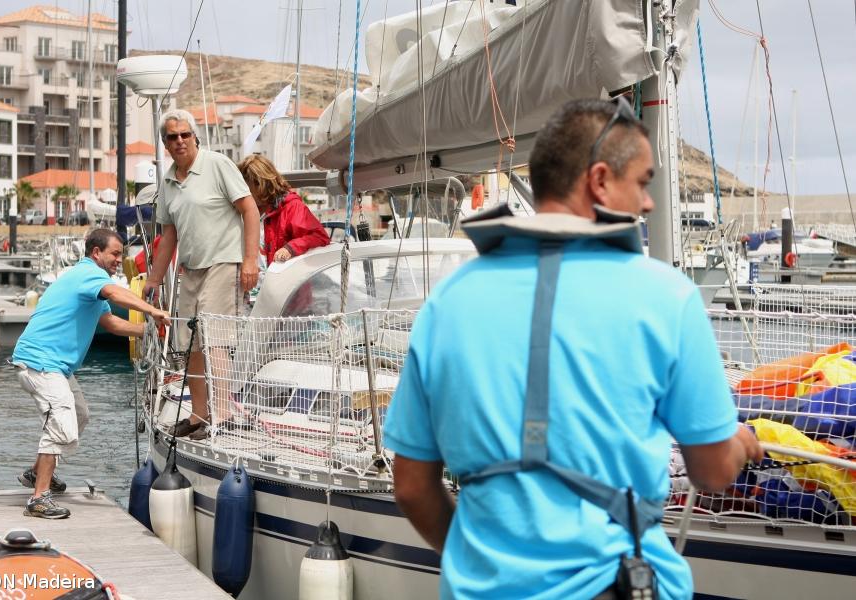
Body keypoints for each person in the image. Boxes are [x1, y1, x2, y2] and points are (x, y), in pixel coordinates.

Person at [384, 98, 763, 599]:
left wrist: (474, 553)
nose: (648, 203)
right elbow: (712, 471)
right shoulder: (665, 296)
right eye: (643, 182)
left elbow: (411, 485)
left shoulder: (447, 302)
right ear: (600, 181)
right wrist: (737, 442)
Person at [13, 229, 169, 519]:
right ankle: (38, 499)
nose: (118, 260)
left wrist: (150, 330)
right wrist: (152, 310)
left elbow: (110, 323)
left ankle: (37, 475)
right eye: (114, 254)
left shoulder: (89, 283)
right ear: (96, 253)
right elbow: (113, 292)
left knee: (79, 414)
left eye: (120, 254)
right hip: (40, 363)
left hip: (55, 366)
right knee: (62, 424)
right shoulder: (88, 275)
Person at [142, 109, 259, 441]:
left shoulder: (217, 164)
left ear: (195, 136)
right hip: (191, 270)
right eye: (172, 137)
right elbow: (169, 236)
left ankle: (221, 415)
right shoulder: (167, 181)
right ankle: (198, 414)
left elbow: (250, 210)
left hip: (224, 262)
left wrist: (250, 260)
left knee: (215, 338)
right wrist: (153, 280)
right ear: (165, 143)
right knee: (189, 342)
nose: (179, 141)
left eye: (184, 135)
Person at [237, 154, 330, 268]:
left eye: (247, 188)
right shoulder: (241, 211)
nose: (242, 193)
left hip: (281, 282)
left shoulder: (292, 207)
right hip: (253, 282)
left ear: (261, 184)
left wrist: (290, 249)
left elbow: (320, 237)